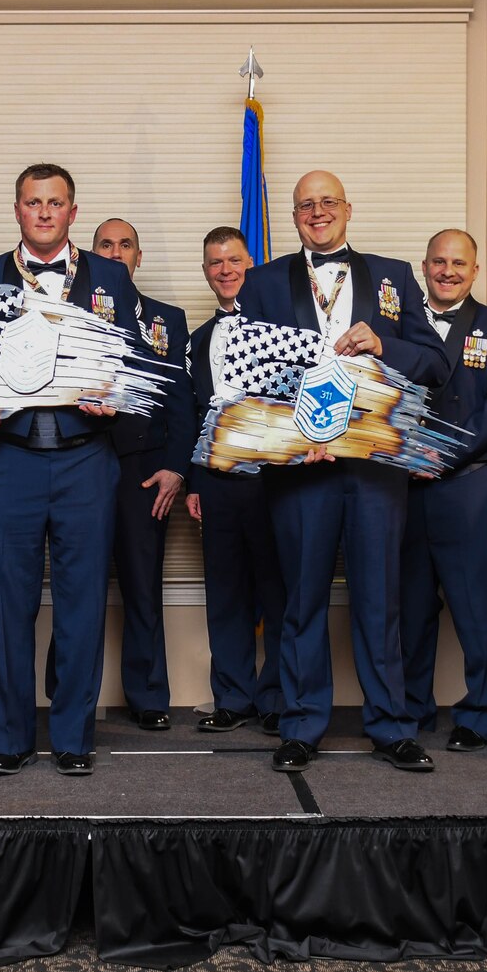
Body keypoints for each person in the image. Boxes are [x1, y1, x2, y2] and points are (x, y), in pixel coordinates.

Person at [236, 171, 449, 774]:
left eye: (328, 202)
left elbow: (437, 362)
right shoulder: (262, 281)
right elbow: (243, 382)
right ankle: (302, 725)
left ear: (348, 210)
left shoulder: (393, 276)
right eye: (307, 204)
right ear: (295, 215)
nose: (318, 211)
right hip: (300, 468)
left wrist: (384, 345)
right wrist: (289, 437)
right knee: (301, 600)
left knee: (379, 599)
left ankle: (391, 725)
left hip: (374, 466)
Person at [0, 164, 144, 777]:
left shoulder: (112, 277)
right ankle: (10, 739)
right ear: (16, 210)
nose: (44, 213)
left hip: (86, 459)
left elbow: (135, 359)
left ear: (74, 211)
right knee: (10, 605)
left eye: (56, 203)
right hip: (8, 459)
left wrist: (114, 395)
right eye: (33, 202)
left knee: (83, 603)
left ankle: (72, 737)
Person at [397, 230, 487, 752]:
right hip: (403, 488)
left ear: (475, 272)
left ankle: (480, 712)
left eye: (459, 263)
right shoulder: (396, 326)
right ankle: (411, 708)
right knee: (409, 609)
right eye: (438, 262)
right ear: (423, 267)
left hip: (468, 487)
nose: (447, 271)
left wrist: (443, 453)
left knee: (476, 611)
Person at [91, 218, 194, 730]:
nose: (115, 253)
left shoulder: (165, 319)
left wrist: (176, 465)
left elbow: (181, 401)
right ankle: (70, 699)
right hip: (79, 463)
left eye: (124, 244)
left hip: (143, 470)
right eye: (105, 245)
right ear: (90, 255)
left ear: (138, 256)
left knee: (141, 585)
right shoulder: (68, 310)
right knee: (77, 586)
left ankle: (149, 696)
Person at [183, 226, 286, 736]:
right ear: (205, 272)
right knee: (225, 592)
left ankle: (277, 698)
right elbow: (196, 413)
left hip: (274, 479)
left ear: (252, 265)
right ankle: (233, 696)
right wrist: (196, 481)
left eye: (234, 261)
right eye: (214, 263)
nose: (225, 270)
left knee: (279, 591)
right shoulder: (198, 340)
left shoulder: (282, 329)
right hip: (218, 480)